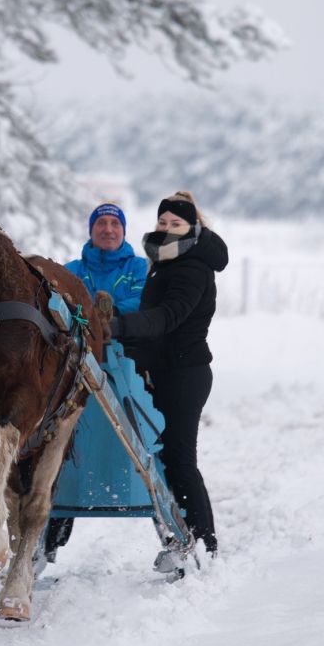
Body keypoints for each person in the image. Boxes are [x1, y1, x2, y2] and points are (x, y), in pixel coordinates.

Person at [110, 191, 227, 571]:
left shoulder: (192, 267)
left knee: (179, 459)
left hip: (185, 374)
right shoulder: (166, 261)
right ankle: (183, 536)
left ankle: (204, 546)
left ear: (192, 227)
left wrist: (118, 326)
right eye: (162, 223)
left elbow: (166, 318)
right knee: (163, 460)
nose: (166, 229)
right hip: (164, 370)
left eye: (175, 224)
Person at [41, 203, 148, 563]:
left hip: (125, 368)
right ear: (91, 230)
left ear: (123, 230)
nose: (107, 229)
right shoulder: (72, 270)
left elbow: (142, 302)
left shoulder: (138, 268)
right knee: (66, 454)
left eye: (114, 223)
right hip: (73, 372)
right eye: (100, 223)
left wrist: (110, 310)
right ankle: (48, 541)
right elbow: (54, 301)